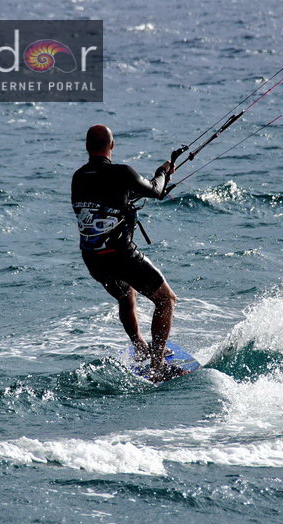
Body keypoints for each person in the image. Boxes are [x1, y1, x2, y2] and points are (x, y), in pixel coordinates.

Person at [71, 124, 181, 379]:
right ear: (112, 145)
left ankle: (141, 348)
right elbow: (156, 190)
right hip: (121, 257)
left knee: (126, 295)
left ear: (87, 147)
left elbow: (101, 200)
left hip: (94, 260)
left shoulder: (78, 177)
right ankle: (156, 365)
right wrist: (163, 171)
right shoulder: (122, 173)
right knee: (166, 300)